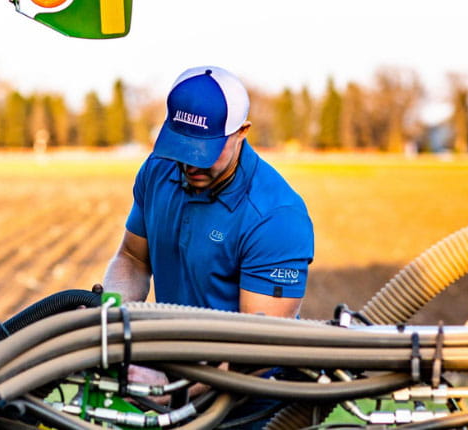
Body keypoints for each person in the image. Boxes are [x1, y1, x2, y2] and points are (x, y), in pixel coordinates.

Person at [103, 65, 315, 318]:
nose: (191, 163)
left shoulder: (276, 217)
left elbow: (258, 343)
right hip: (170, 349)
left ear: (241, 132)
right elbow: (133, 258)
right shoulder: (158, 170)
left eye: (206, 150)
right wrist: (113, 312)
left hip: (231, 354)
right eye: (182, 145)